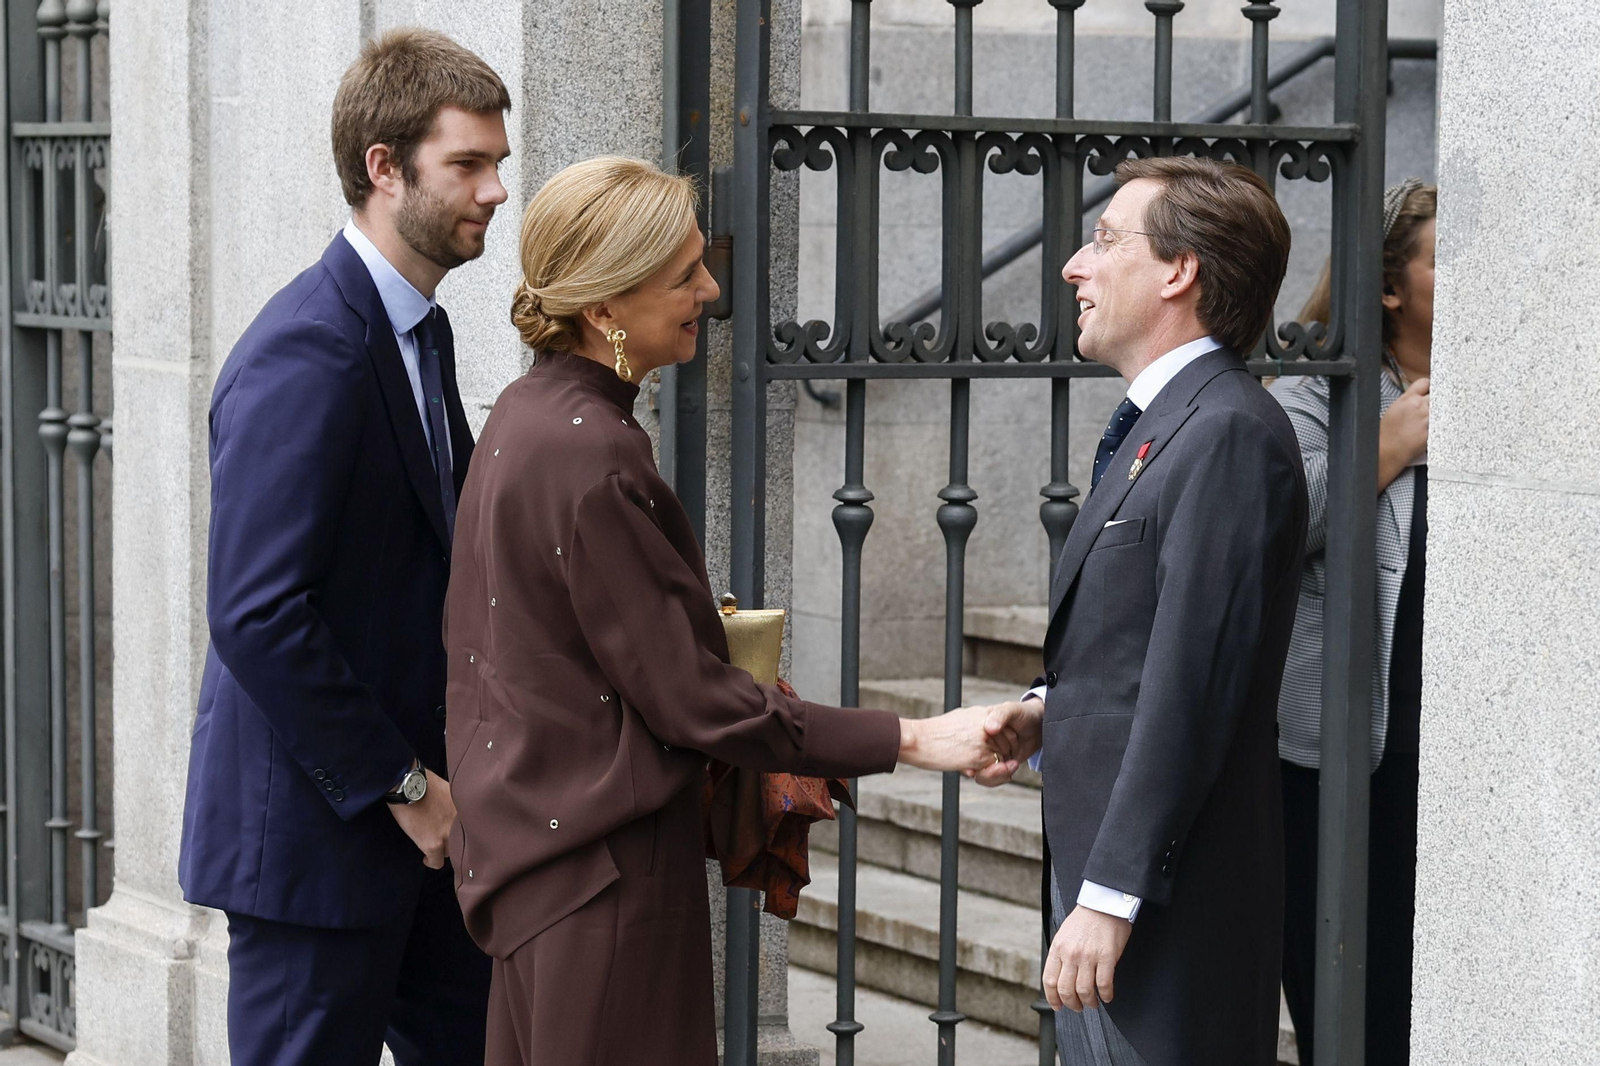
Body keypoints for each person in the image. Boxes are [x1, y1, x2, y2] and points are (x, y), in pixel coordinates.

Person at [443, 155, 1020, 1066]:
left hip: (537, 868)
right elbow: (694, 703)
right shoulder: (593, 456)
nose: (709, 290)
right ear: (603, 309)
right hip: (603, 887)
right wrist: (913, 738)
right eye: (683, 274)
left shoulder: (526, 416)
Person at [177, 29, 510, 1065]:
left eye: (498, 162)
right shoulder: (306, 349)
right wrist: (405, 787)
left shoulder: (420, 330)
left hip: (426, 841)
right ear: (383, 167)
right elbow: (255, 612)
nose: (496, 189)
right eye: (468, 163)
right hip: (317, 853)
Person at [973, 156, 1309, 1065]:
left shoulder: (1229, 432)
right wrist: (1046, 713)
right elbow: (1135, 648)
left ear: (1179, 270)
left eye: (1104, 239)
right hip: (1109, 888)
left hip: (1163, 912)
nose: (1075, 266)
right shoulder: (1174, 423)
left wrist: (1111, 894)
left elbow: (1193, 686)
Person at [1271, 179, 1437, 1066]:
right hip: (1335, 758)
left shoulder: (1505, 398)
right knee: (1348, 1009)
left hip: (1449, 760)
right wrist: (1389, 446)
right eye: (1445, 264)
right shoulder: (1318, 394)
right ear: (1387, 288)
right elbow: (1275, 531)